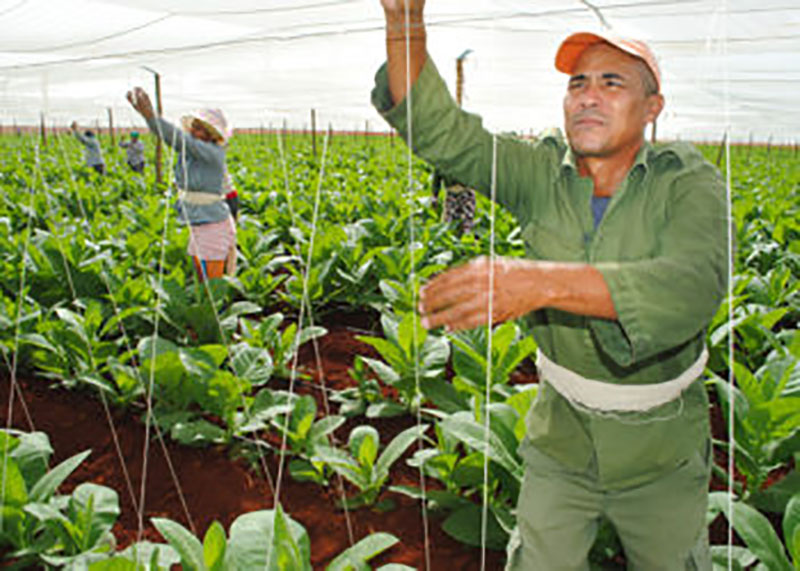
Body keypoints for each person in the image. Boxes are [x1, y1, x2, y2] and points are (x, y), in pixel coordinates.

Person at [374, 1, 728, 569]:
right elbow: (440, 132)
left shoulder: (686, 182)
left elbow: (691, 286)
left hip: (662, 454)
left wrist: (538, 282)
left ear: (653, 108)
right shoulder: (539, 173)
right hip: (560, 441)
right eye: (577, 83)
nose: (588, 95)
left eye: (612, 82)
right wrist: (404, 20)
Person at [125, 87, 236, 282]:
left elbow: (177, 140)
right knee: (200, 276)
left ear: (212, 136)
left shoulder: (212, 153)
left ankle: (215, 311)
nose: (194, 131)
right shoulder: (190, 156)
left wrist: (151, 117)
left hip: (212, 225)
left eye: (201, 129)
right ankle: (207, 308)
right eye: (194, 126)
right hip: (196, 222)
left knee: (212, 284)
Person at [431, 168, 476, 234]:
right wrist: (434, 196)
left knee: (466, 225)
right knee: (448, 224)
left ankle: (467, 240)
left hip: (466, 192)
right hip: (451, 194)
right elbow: (436, 178)